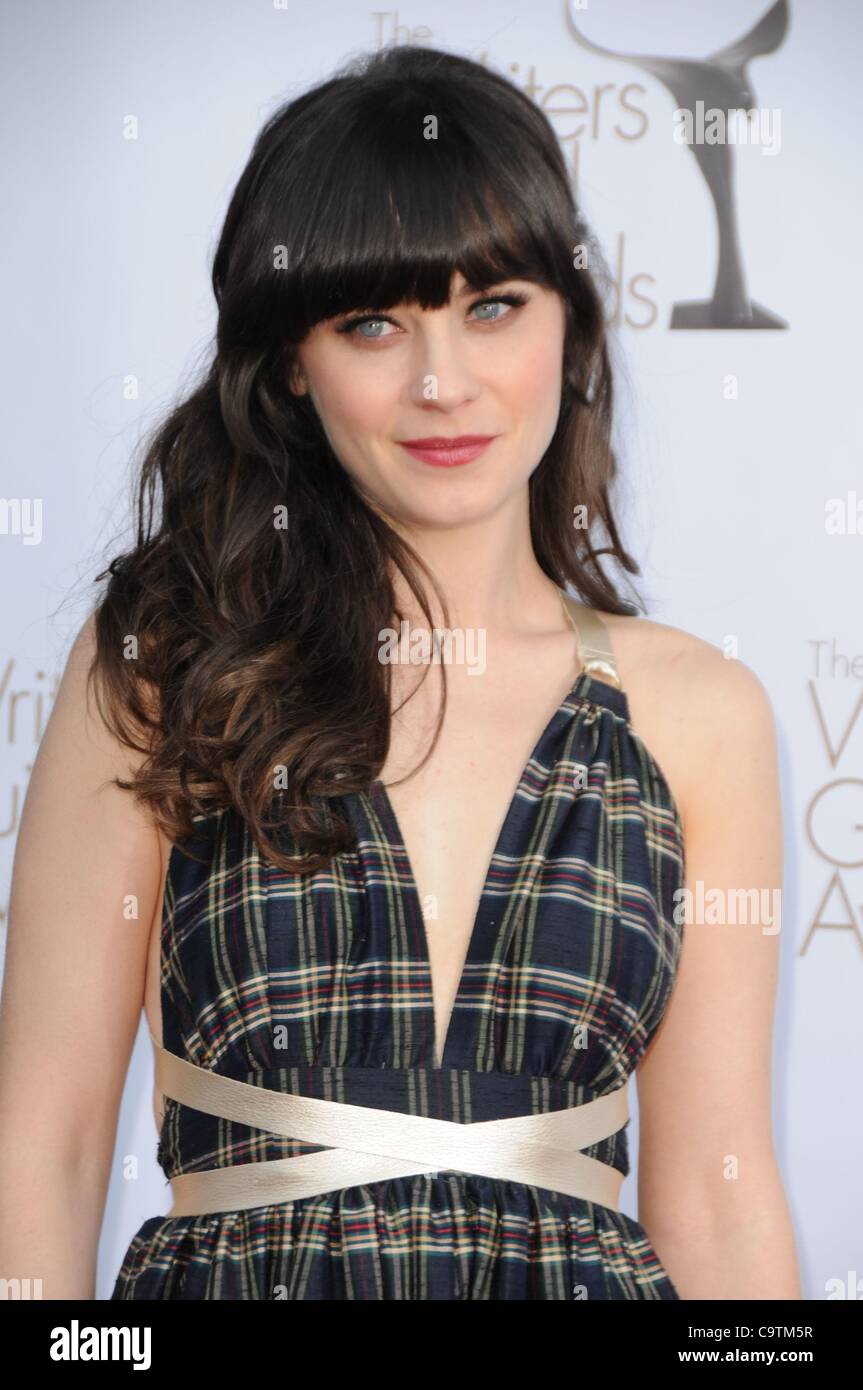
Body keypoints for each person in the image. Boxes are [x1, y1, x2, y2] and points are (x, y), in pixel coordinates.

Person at [0, 43, 801, 1301]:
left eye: (491, 307)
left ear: (569, 328)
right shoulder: (169, 663)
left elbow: (714, 1188)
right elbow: (41, 1148)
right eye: (371, 322)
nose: (442, 384)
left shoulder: (695, 713)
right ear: (290, 364)